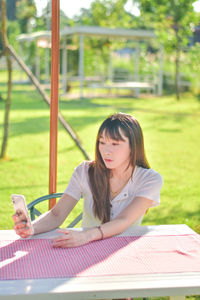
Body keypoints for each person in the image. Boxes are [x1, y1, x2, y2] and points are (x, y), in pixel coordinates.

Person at [13, 112, 163, 248]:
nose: (106, 150)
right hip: (85, 249)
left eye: (115, 144)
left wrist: (86, 236)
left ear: (133, 146)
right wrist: (31, 228)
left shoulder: (150, 179)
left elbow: (123, 220)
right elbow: (57, 215)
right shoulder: (84, 171)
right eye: (102, 142)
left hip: (124, 251)